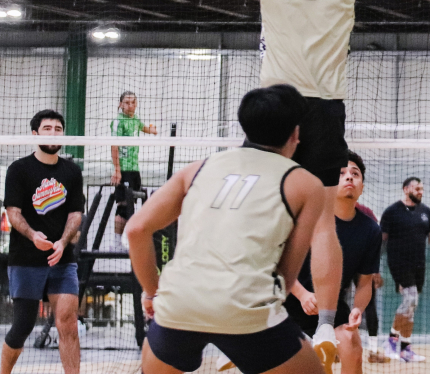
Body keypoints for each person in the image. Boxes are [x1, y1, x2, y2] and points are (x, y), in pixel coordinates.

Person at [258, 0, 416, 365]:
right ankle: (326, 323)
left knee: (265, 217)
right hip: (323, 106)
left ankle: (256, 315)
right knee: (323, 223)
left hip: (275, 106)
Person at [125, 84, 325, 374]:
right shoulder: (307, 185)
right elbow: (286, 273)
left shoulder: (197, 168)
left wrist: (152, 293)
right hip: (247, 310)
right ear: (296, 134)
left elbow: (136, 229)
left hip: (179, 305)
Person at [1, 110, 84, 374]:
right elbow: (13, 213)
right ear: (35, 134)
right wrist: (34, 235)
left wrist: (63, 242)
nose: (53, 133)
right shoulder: (19, 170)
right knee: (23, 326)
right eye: (47, 128)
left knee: (68, 323)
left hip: (62, 260)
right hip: (26, 259)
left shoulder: (72, 172)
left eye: (58, 129)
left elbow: (75, 214)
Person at [284, 152, 382, 374]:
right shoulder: (308, 216)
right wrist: (303, 295)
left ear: (362, 187)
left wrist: (357, 309)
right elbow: (280, 265)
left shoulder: (370, 230)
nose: (349, 177)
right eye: (341, 173)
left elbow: (364, 283)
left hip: (331, 304)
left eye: (355, 174)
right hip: (290, 300)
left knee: (351, 343)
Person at [380, 176, 430, 362]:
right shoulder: (392, 212)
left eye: (422, 189)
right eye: (417, 188)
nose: (420, 192)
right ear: (406, 189)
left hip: (418, 264)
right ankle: (391, 341)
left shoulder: (426, 212)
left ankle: (405, 349)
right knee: (411, 298)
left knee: (411, 306)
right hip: (398, 262)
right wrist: (374, 268)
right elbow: (382, 240)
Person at [110, 91, 157, 237]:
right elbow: (114, 146)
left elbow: (142, 127)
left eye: (133, 102)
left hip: (134, 169)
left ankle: (128, 241)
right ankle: (116, 244)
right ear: (120, 104)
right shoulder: (118, 121)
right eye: (127, 102)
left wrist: (151, 130)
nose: (130, 105)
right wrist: (117, 170)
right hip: (123, 169)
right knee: (123, 207)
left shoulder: (135, 119)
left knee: (132, 206)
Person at [354, 201, 388, 363]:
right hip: (339, 263)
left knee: (369, 304)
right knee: (335, 303)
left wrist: (374, 269)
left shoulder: (365, 212)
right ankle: (334, 346)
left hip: (362, 265)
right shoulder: (331, 210)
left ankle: (373, 350)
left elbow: (377, 238)